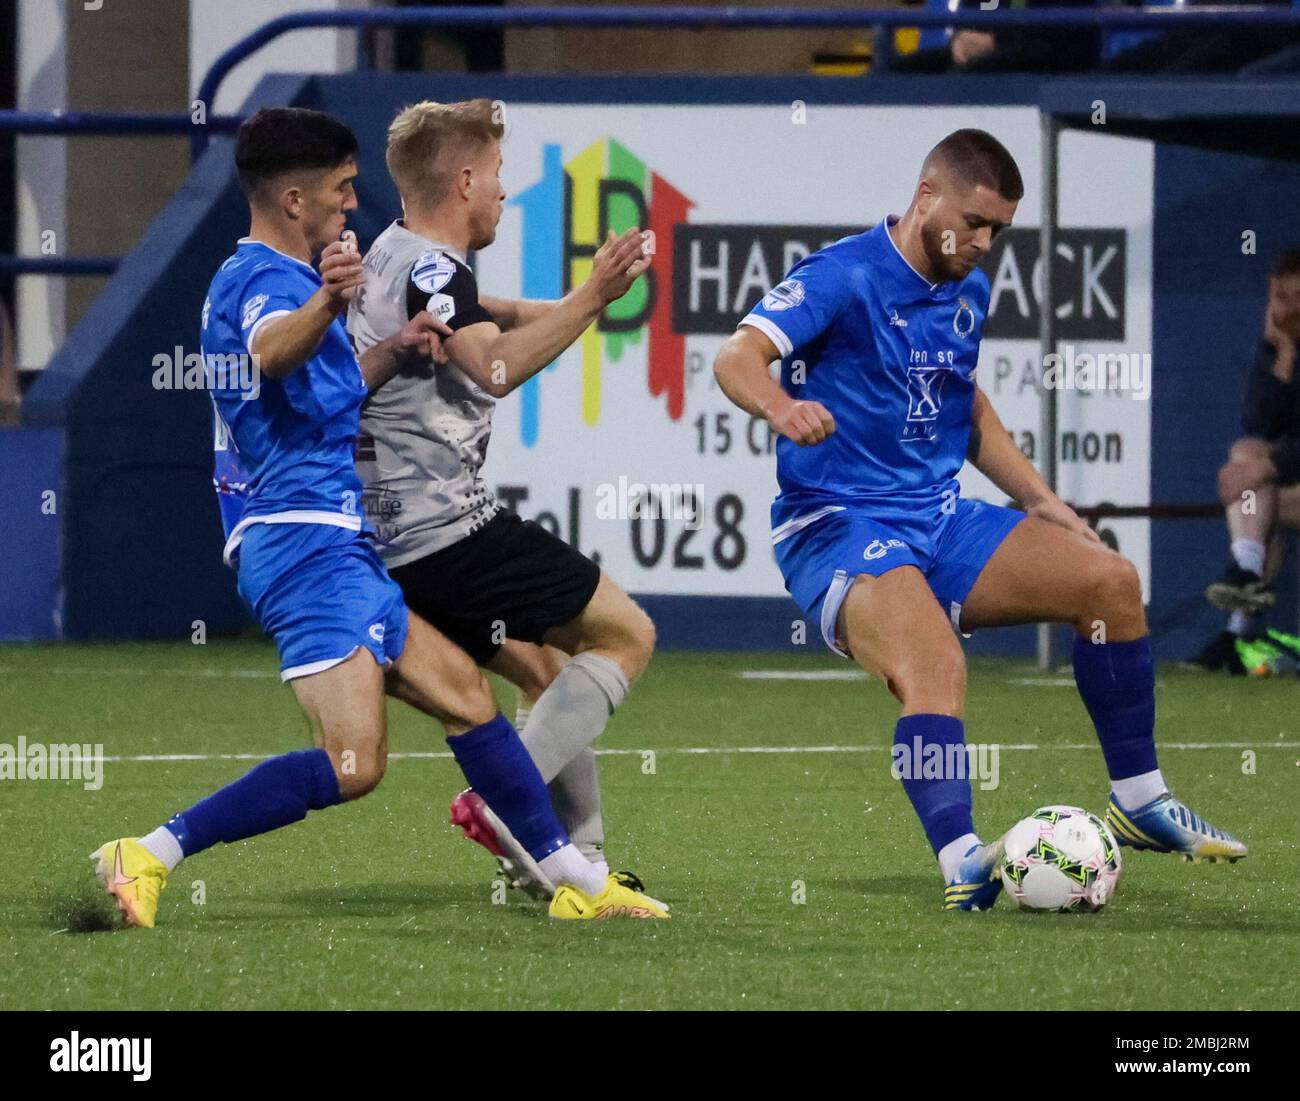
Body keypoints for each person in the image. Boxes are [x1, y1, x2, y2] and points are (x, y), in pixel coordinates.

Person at [90, 107, 667, 926]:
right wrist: (330, 301)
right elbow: (269, 354)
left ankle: (578, 880)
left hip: (344, 542)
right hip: (299, 546)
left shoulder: (295, 278)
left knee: (468, 696)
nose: (350, 207)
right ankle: (147, 853)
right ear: (294, 200)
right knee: (354, 762)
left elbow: (323, 388)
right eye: (339, 191)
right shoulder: (259, 278)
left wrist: (398, 348)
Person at [713, 128, 1246, 911]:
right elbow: (736, 357)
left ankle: (1139, 799)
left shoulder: (969, 287)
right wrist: (783, 406)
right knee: (936, 668)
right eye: (974, 221)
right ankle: (964, 858)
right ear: (926, 196)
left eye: (999, 229)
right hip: (837, 523)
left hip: (940, 518)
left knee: (1112, 583)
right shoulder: (844, 274)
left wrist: (1041, 499)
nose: (983, 242)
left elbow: (969, 410)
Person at [347, 99, 659, 902]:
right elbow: (493, 368)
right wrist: (592, 297)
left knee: (546, 669)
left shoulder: (391, 253)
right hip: (447, 534)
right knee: (627, 634)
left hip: (389, 538)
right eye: (495, 177)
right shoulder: (436, 269)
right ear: (462, 179)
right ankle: (502, 808)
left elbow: (492, 319)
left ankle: (570, 866)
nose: (503, 194)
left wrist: (584, 299)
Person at [1193, 248, 1300, 675]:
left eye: (1295, 298)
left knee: (1255, 474)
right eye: (1279, 298)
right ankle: (1243, 599)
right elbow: (1259, 422)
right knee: (1247, 461)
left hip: (1288, 476)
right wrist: (1287, 356)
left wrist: (1268, 468)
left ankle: (1242, 594)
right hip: (1289, 484)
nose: (1286, 309)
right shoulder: (1277, 351)